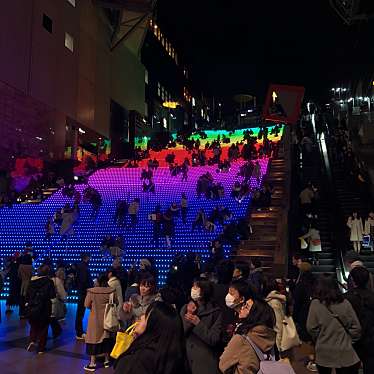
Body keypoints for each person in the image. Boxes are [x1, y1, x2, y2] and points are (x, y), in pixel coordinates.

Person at [307, 274, 361, 374]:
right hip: (344, 349)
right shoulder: (345, 303)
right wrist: (350, 340)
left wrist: (319, 338)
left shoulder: (315, 304)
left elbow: (311, 328)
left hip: (324, 350)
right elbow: (356, 327)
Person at [114, 301, 187, 374]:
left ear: (154, 326)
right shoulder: (173, 359)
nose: (141, 317)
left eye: (146, 315)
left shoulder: (136, 360)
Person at [219, 298, 276, 374]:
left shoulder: (241, 340)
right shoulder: (269, 337)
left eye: (246, 307)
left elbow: (223, 365)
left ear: (254, 315)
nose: (242, 308)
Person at [181, 280, 223, 374]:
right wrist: (190, 314)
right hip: (186, 360)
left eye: (196, 287)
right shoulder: (185, 308)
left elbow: (214, 339)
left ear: (204, 290)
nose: (193, 289)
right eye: (193, 287)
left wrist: (198, 324)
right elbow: (180, 333)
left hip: (204, 362)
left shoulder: (216, 312)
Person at [84, 273, 116, 371]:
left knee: (93, 340)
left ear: (98, 281)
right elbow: (116, 303)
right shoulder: (111, 291)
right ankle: (106, 361)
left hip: (95, 319)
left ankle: (92, 363)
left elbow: (86, 304)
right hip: (108, 320)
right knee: (106, 339)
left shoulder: (92, 292)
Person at [345, 267, 374, 374]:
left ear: (352, 280)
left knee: (351, 368)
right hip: (370, 337)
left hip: (351, 338)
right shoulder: (371, 296)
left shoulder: (346, 298)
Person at [25, 265, 56, 354]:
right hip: (44, 307)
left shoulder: (32, 281)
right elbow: (52, 295)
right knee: (43, 328)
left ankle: (32, 340)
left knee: (34, 325)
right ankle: (41, 348)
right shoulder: (49, 282)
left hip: (32, 307)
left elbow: (27, 294)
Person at [264, 278, 288, 355]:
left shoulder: (274, 302)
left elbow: (278, 326)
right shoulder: (271, 299)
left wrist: (278, 349)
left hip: (275, 343)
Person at [75, 253, 93, 341]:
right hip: (83, 293)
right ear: (86, 258)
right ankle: (79, 332)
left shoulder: (81, 267)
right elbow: (83, 280)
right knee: (80, 313)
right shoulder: (83, 267)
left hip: (82, 292)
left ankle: (79, 331)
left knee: (80, 313)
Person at [50, 270, 67, 338]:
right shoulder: (56, 280)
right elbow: (61, 293)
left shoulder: (39, 279)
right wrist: (64, 299)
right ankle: (56, 331)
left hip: (42, 302)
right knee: (52, 317)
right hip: (53, 302)